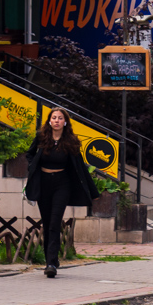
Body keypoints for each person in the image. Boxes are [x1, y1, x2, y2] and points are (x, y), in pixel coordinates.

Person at [25, 108, 100, 277]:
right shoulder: (41, 137)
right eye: (54, 118)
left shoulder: (70, 141)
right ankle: (50, 260)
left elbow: (80, 167)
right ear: (49, 121)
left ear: (65, 122)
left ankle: (51, 263)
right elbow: (29, 154)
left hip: (62, 185)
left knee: (54, 223)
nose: (57, 121)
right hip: (43, 184)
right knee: (46, 222)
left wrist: (93, 191)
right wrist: (32, 167)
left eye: (60, 118)